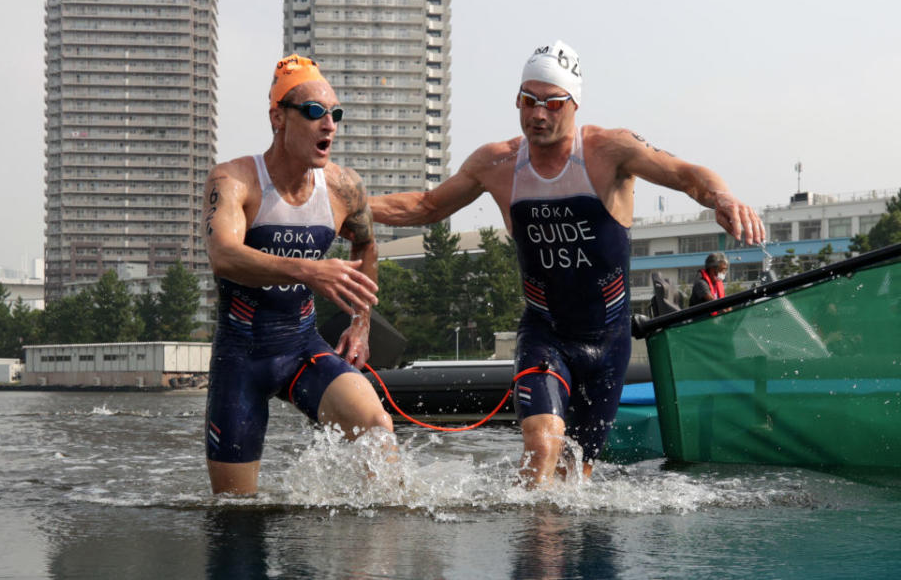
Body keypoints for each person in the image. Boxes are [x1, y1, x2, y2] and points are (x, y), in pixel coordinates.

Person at [369, 40, 766, 486]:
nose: (538, 114)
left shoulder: (608, 151)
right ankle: (533, 547)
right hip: (546, 335)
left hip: (609, 342)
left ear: (574, 104)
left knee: (576, 477)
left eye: (552, 103)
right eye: (528, 101)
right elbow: (425, 206)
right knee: (542, 447)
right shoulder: (497, 163)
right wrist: (351, 207)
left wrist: (722, 196)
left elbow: (686, 174)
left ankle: (557, 546)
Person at [201, 54, 394, 495]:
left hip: (301, 346)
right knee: (236, 515)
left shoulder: (345, 187)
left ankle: (372, 558)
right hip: (241, 359)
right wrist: (308, 270)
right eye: (314, 112)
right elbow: (224, 256)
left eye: (335, 114)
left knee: (377, 428)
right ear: (278, 118)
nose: (329, 125)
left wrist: (360, 325)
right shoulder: (234, 180)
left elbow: (365, 243)